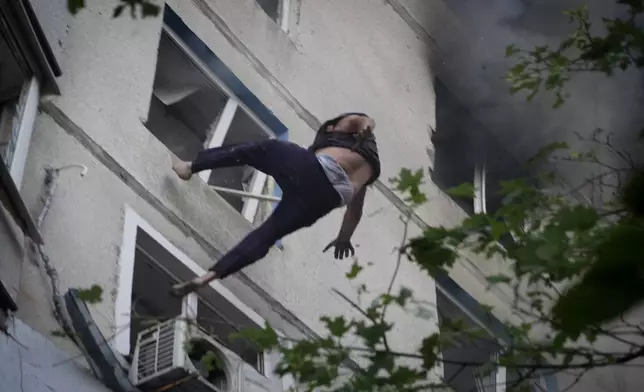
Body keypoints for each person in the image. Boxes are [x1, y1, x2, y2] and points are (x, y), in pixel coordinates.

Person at [170, 112, 381, 297]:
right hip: (326, 200)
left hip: (311, 169)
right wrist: (343, 239)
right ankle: (209, 276)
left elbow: (364, 120)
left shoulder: (340, 129)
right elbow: (355, 213)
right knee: (267, 235)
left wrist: (366, 128)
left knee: (261, 149)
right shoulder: (366, 175)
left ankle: (191, 166)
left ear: (331, 129)